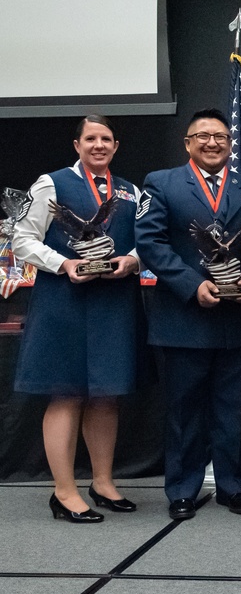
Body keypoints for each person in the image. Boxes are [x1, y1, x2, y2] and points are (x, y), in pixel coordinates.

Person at [135, 108, 241, 520]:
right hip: (183, 318)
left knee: (232, 409)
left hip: (238, 317)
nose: (213, 143)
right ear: (188, 143)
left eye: (221, 137)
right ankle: (182, 490)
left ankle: (233, 487)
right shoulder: (160, 184)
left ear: (231, 143)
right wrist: (193, 286)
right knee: (184, 411)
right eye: (203, 136)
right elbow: (151, 243)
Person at [13, 114, 141, 523]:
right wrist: (64, 263)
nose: (98, 145)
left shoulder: (131, 191)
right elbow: (22, 240)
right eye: (91, 138)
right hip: (63, 302)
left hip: (113, 303)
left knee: (106, 394)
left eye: (106, 139)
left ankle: (102, 482)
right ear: (77, 144)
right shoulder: (51, 183)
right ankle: (64, 491)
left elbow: (146, 242)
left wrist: (132, 261)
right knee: (66, 393)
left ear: (116, 146)